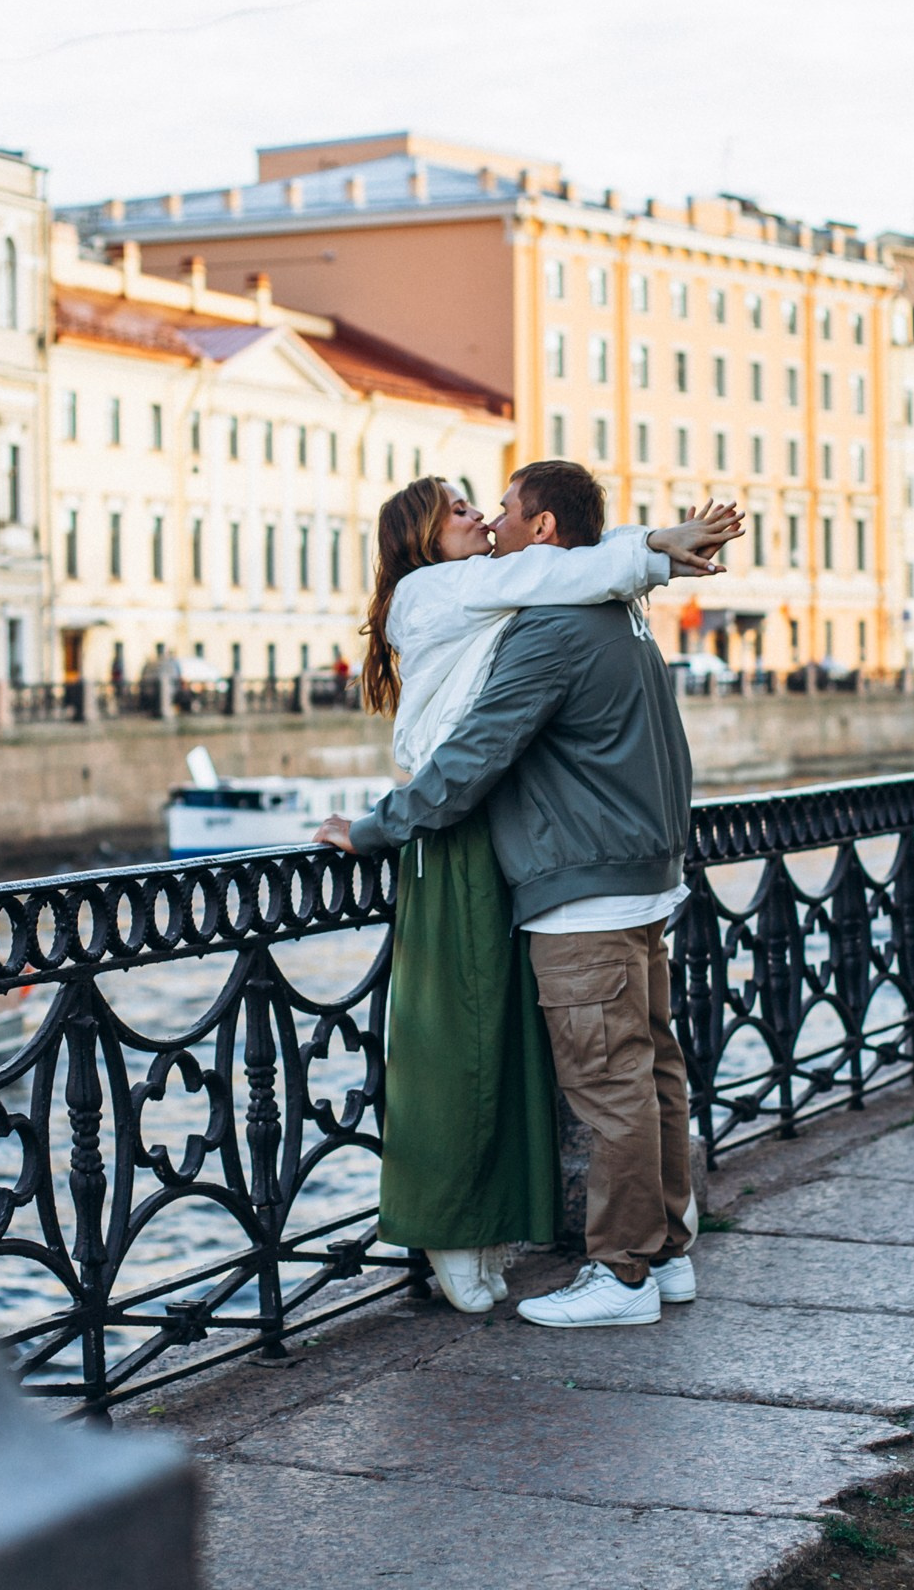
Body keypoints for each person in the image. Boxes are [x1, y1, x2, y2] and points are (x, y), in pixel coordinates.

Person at [320, 460, 731, 1329]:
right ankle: (665, 1258)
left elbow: (471, 758)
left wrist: (376, 828)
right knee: (654, 1073)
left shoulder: (550, 630)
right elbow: (582, 567)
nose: (491, 520)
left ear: (539, 529)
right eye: (469, 510)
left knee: (612, 1085)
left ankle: (621, 1278)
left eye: (500, 509)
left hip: (581, 887)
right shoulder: (622, 619)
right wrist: (657, 545)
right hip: (646, 879)